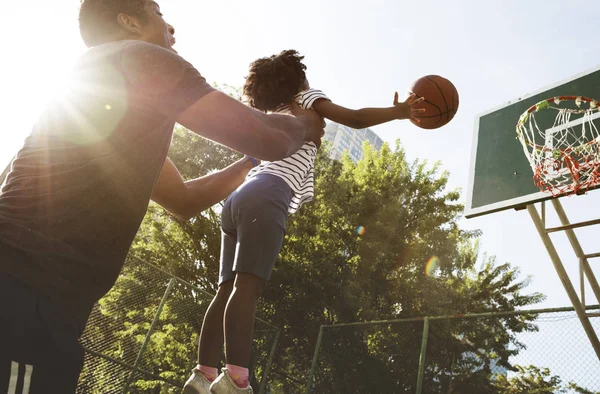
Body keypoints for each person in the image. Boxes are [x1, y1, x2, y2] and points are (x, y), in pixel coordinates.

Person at [0, 1, 325, 392]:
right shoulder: (138, 55)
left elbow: (185, 200)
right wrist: (303, 123)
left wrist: (248, 162)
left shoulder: (118, 107)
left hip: (43, 297)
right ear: (129, 22)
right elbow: (269, 137)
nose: (171, 27)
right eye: (157, 13)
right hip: (25, 287)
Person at [183, 49, 424, 393]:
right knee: (246, 289)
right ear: (297, 80)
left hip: (239, 198)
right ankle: (236, 381)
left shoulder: (274, 113)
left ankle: (204, 374)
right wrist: (398, 112)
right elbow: (354, 118)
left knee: (225, 290)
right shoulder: (306, 99)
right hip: (269, 194)